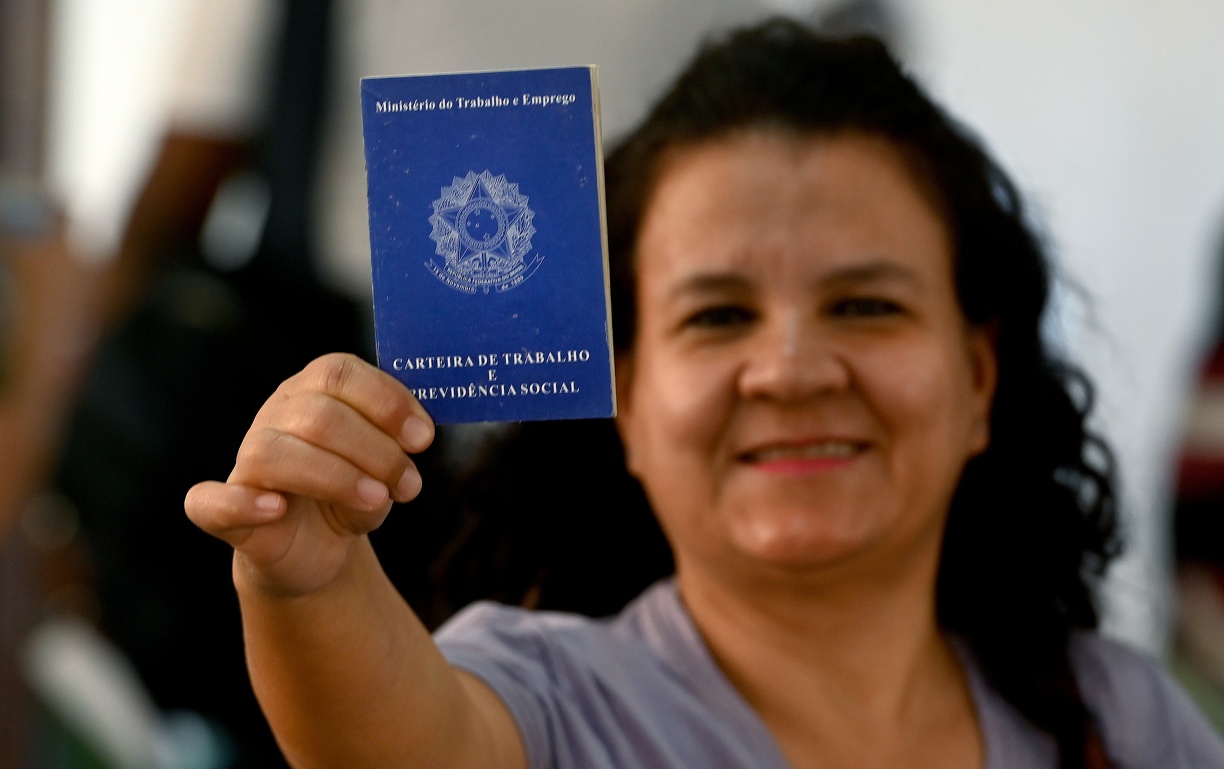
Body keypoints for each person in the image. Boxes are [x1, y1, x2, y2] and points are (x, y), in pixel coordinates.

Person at [184, 19, 1224, 769]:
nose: (790, 369)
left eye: (865, 306)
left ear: (980, 376)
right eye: (717, 316)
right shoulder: (550, 699)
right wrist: (308, 585)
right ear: (626, 397)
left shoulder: (1124, 723)